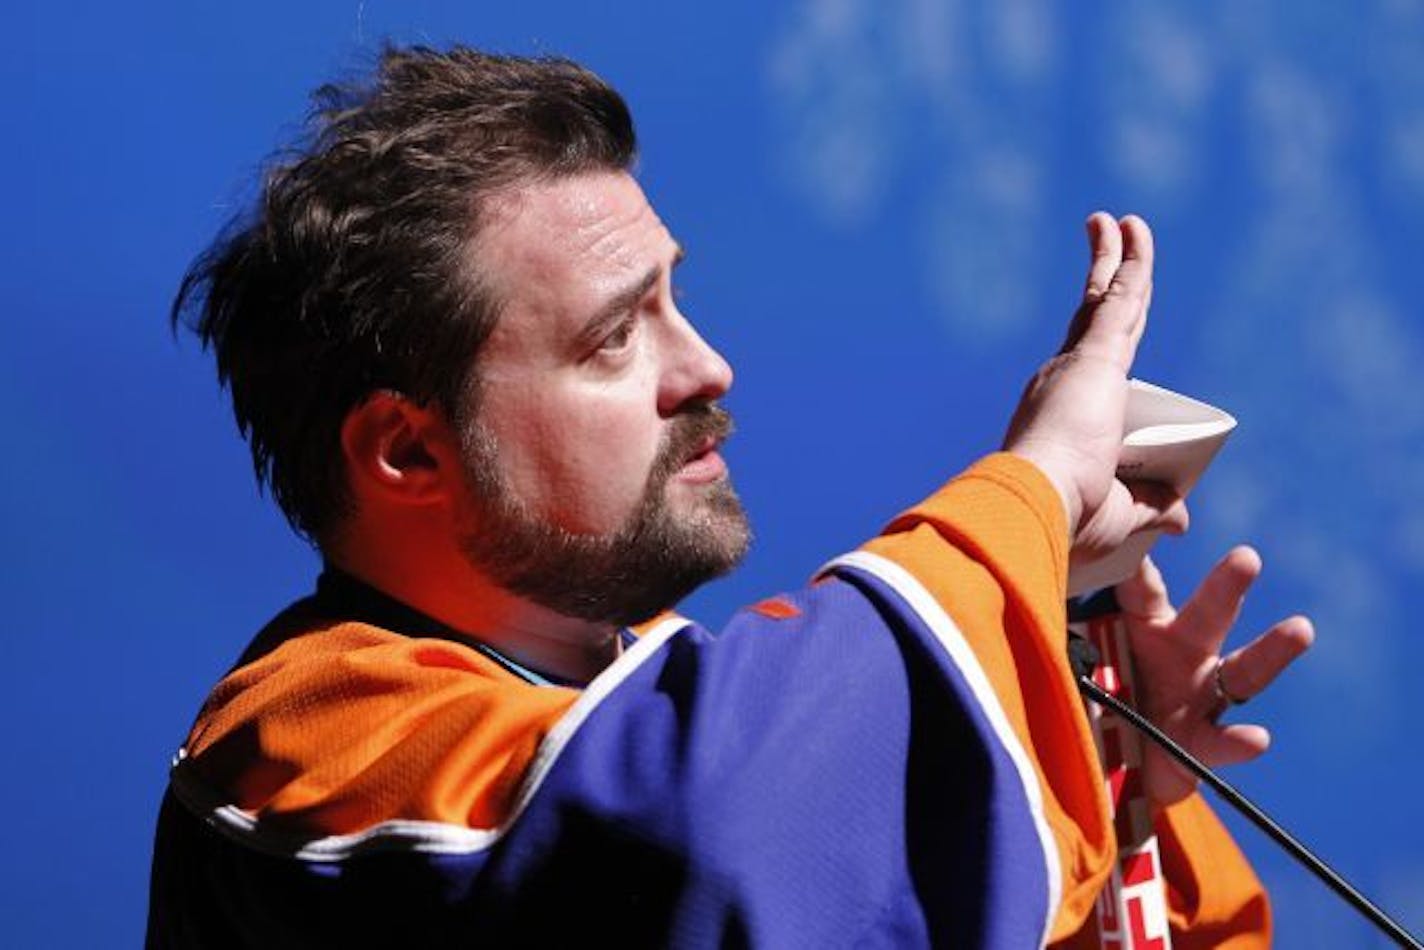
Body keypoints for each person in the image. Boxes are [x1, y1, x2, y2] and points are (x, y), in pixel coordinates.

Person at [147, 46, 1313, 948]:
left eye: (674, 301)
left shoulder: (633, 694)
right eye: (614, 336)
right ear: (407, 451)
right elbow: (715, 843)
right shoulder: (296, 743)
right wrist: (1040, 485)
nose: (706, 365)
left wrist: (1096, 779)